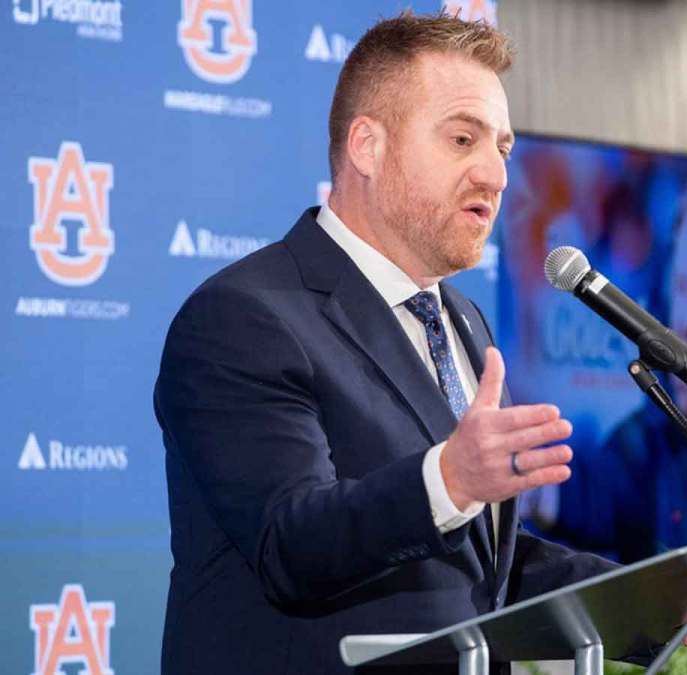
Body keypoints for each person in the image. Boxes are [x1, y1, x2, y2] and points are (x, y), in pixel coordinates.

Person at [153, 14, 616, 674]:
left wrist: (673, 599)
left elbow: (483, 570)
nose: (495, 173)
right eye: (463, 138)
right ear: (366, 147)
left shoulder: (465, 323)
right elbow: (292, 548)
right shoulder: (242, 318)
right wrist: (451, 476)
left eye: (504, 148)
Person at [536, 177, 687, 563]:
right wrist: (531, 488)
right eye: (680, 290)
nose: (685, 317)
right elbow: (588, 498)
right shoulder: (631, 450)